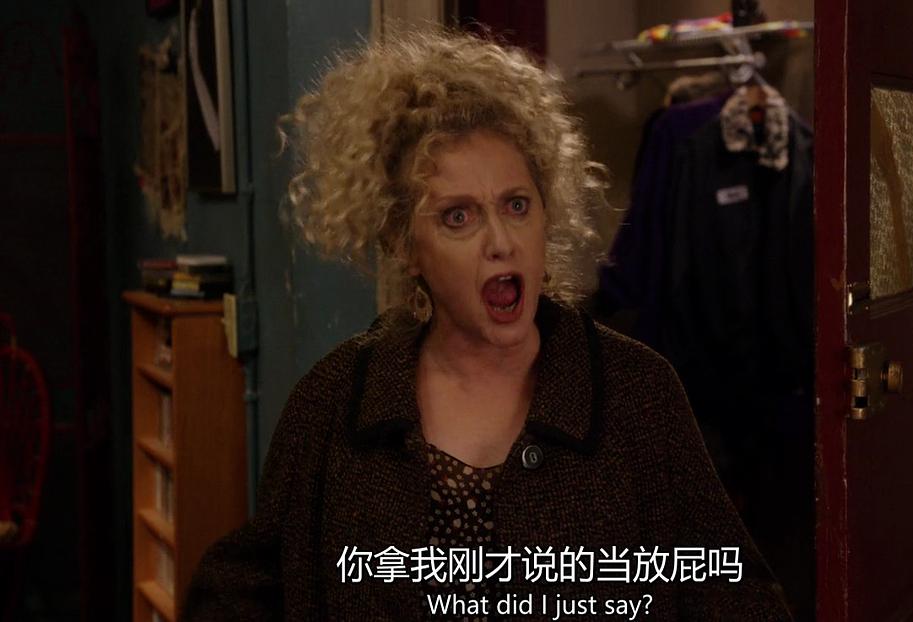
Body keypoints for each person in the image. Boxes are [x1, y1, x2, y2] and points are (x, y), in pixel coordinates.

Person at [181, 28, 791, 621]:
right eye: (458, 217)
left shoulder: (637, 392)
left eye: (516, 205)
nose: (501, 241)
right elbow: (240, 592)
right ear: (404, 245)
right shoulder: (334, 400)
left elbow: (734, 594)